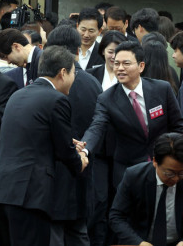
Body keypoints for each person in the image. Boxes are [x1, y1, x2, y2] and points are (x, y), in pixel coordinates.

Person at [0, 45, 87, 246]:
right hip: (30, 195)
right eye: (74, 73)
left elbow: (28, 137)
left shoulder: (17, 95)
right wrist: (79, 161)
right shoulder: (57, 99)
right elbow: (65, 152)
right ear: (63, 73)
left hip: (5, 190)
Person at [81, 41, 183, 189]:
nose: (120, 68)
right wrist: (85, 149)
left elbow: (178, 126)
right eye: (116, 64)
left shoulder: (162, 89)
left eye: (126, 63)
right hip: (127, 170)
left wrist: (175, 156)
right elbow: (97, 127)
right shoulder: (107, 99)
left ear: (141, 66)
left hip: (164, 166)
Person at [45, 25, 102, 246]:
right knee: (79, 232)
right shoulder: (94, 84)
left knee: (55, 234)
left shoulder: (48, 85)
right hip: (84, 171)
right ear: (78, 51)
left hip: (52, 173)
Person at [109, 132, 183, 246]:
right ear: (155, 161)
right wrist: (138, 242)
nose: (175, 178)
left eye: (181, 173)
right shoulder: (134, 177)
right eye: (169, 173)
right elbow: (116, 216)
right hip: (140, 241)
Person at [86, 30, 127, 245]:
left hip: (122, 147)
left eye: (119, 52)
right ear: (103, 52)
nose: (114, 57)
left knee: (118, 197)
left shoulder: (129, 78)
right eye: (111, 52)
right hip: (98, 148)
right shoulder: (92, 74)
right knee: (99, 198)